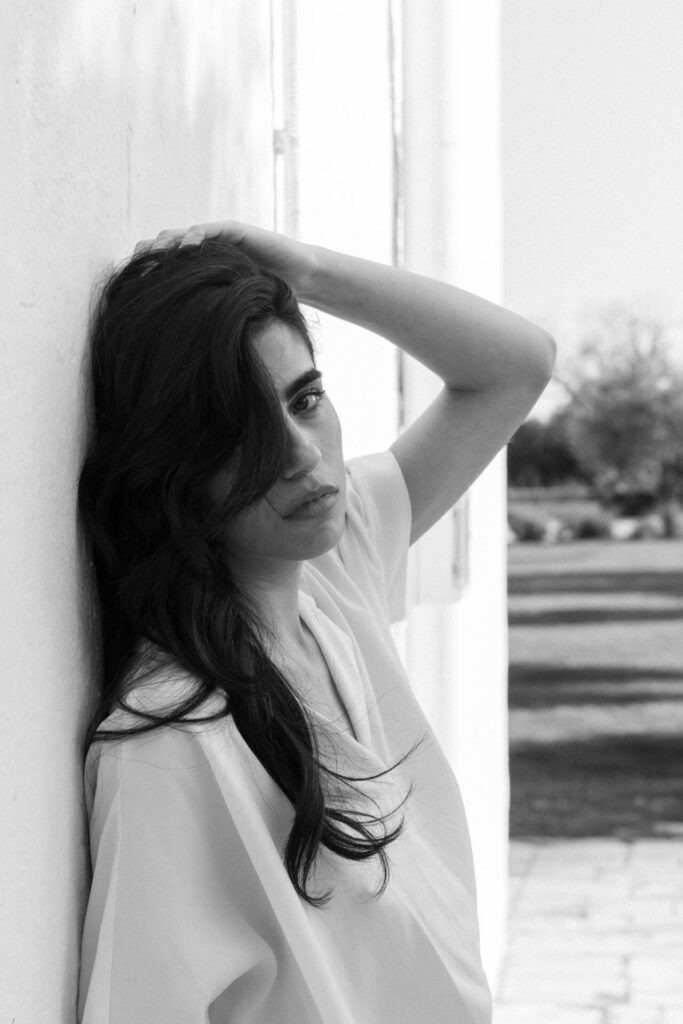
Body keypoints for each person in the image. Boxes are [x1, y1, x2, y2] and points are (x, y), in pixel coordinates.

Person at [77, 221, 555, 1024]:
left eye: (305, 400)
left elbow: (517, 366)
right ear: (172, 470)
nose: (301, 457)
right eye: (241, 436)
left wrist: (310, 271)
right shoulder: (170, 742)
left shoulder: (333, 567)